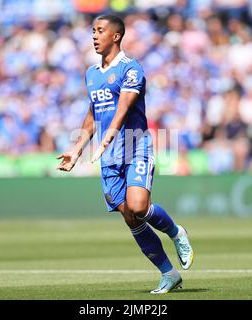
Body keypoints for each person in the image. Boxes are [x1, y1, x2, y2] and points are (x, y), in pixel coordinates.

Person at [56, 15, 193, 294]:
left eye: (100, 31)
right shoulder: (91, 74)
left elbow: (124, 105)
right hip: (109, 156)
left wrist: (111, 132)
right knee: (131, 217)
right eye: (93, 30)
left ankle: (176, 232)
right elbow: (93, 115)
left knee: (140, 206)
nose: (94, 35)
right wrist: (77, 148)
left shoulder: (131, 69)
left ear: (116, 36)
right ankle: (169, 274)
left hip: (135, 146)